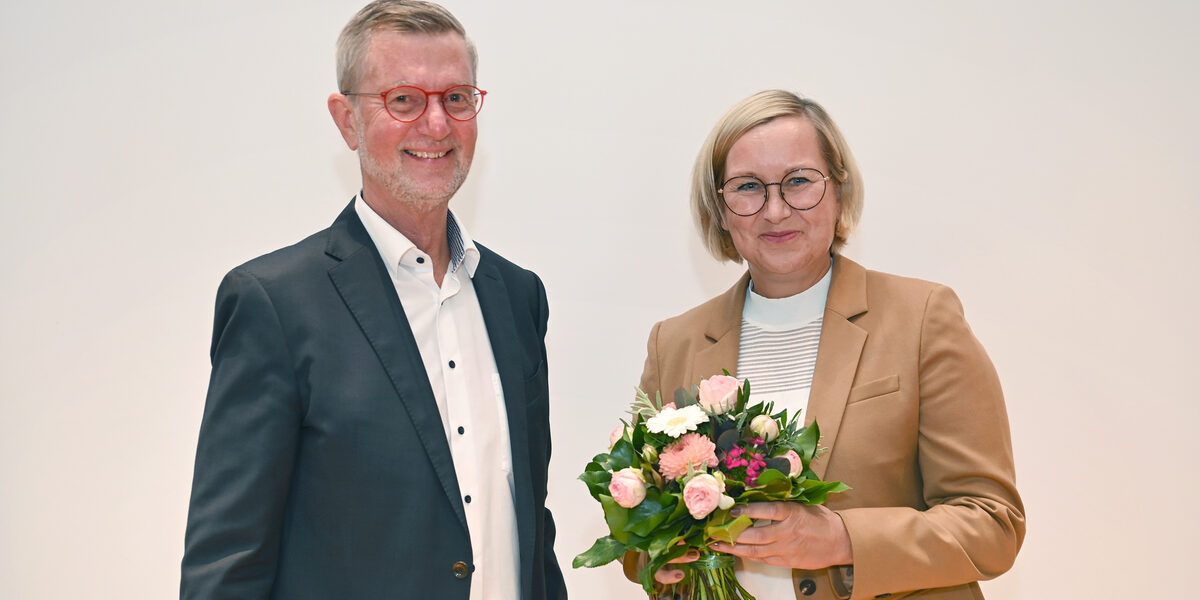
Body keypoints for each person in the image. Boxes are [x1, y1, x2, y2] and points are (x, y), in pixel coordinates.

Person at [180, 2, 566, 598]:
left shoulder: (518, 298)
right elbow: (229, 561)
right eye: (404, 100)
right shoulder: (274, 305)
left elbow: (530, 530)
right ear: (347, 120)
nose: (436, 124)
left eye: (456, 98)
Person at [625, 90, 1024, 599]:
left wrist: (842, 539)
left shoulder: (922, 317)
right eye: (748, 187)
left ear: (838, 192)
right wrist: (655, 558)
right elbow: (638, 537)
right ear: (720, 211)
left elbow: (993, 524)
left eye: (798, 182)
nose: (775, 210)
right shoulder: (673, 342)